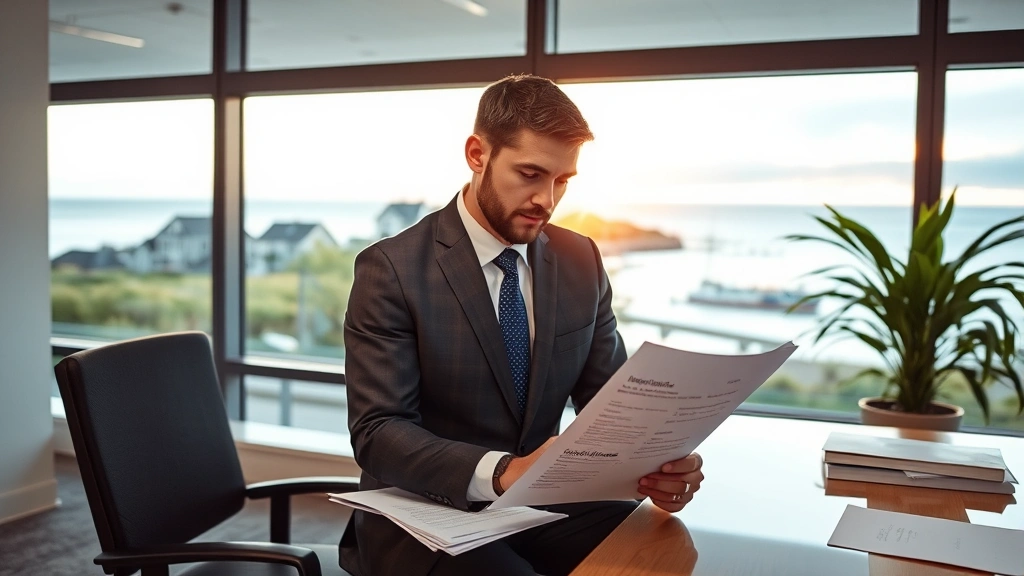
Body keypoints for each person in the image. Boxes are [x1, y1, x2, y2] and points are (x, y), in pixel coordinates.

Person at [339, 74, 704, 576]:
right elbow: (378, 433)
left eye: (562, 181)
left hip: (539, 505)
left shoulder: (581, 259)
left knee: (654, 543)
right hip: (421, 513)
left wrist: (659, 461)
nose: (546, 199)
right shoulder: (393, 269)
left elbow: (611, 404)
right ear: (477, 154)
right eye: (530, 173)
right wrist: (506, 472)